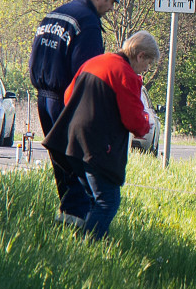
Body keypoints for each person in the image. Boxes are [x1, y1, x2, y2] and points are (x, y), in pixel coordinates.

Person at [28, 0, 125, 228]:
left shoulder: (56, 14)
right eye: (111, 1)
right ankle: (77, 224)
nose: (111, 8)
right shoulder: (88, 23)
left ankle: (65, 218)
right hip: (66, 100)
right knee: (77, 163)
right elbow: (87, 71)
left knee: (60, 163)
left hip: (43, 97)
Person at [42, 31, 159, 240]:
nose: (147, 68)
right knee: (108, 202)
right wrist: (145, 126)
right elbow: (133, 118)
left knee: (93, 198)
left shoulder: (96, 61)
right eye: (148, 62)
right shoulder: (125, 73)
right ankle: (90, 249)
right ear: (140, 55)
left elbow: (69, 95)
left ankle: (79, 243)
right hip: (97, 146)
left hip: (70, 142)